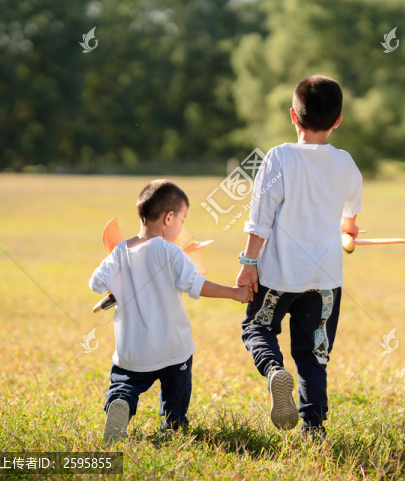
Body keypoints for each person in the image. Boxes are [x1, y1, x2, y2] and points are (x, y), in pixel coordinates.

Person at [236, 75, 363, 439]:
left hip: (278, 275)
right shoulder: (346, 164)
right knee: (312, 355)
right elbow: (349, 222)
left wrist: (247, 266)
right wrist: (348, 233)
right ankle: (314, 427)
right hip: (325, 282)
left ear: (294, 116)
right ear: (338, 120)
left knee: (257, 328)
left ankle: (274, 370)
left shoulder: (279, 157)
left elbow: (260, 222)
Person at [90, 179, 252, 442]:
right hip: (172, 349)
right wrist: (234, 292)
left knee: (124, 383)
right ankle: (173, 422)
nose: (182, 227)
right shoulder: (171, 252)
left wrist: (117, 285)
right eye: (182, 219)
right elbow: (195, 284)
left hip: (132, 350)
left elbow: (96, 282)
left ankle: (120, 403)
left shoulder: (120, 251)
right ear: (168, 218)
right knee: (177, 386)